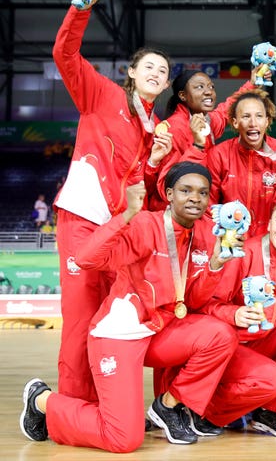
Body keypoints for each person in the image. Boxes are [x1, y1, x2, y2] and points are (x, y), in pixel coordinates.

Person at [20, 162, 239, 452]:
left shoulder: (203, 234)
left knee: (220, 335)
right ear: (170, 194)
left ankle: (168, 406)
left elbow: (195, 301)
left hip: (160, 332)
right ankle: (42, 400)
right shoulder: (146, 224)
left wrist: (214, 266)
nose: (195, 198)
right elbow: (86, 258)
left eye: (202, 192)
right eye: (186, 190)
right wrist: (126, 216)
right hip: (121, 333)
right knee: (125, 438)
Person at [52, 0, 173, 402]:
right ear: (131, 72)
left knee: (108, 318)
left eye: (164, 71)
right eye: (150, 67)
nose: (158, 73)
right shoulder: (101, 95)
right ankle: (68, 406)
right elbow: (65, 54)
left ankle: (105, 407)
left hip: (122, 230)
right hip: (85, 218)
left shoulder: (155, 128)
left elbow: (144, 186)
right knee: (82, 315)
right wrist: (82, 4)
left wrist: (155, 161)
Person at [201, 200, 276, 437]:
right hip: (234, 346)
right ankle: (205, 410)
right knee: (273, 379)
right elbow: (208, 304)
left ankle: (272, 413)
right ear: (268, 225)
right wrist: (234, 314)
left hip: (266, 342)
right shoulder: (247, 253)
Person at [183, 89, 276, 237]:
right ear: (235, 122)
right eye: (246, 116)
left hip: (269, 242)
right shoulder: (220, 154)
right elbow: (209, 207)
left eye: (259, 116)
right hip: (230, 242)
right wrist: (222, 238)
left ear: (267, 121)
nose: (253, 123)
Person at [146, 67, 267, 211]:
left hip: (196, 206)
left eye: (211, 87)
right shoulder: (174, 129)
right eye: (199, 87)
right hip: (171, 215)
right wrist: (197, 147)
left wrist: (252, 84)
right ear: (183, 95)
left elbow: (226, 110)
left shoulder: (206, 120)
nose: (209, 91)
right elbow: (166, 187)